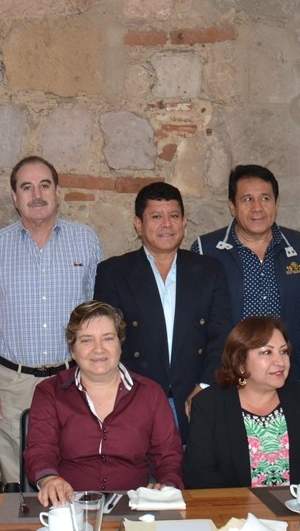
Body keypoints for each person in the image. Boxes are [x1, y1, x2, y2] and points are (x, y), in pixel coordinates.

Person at [0, 156, 102, 489]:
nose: (37, 195)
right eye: (27, 187)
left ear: (58, 191)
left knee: (74, 472)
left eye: (44, 185)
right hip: (12, 385)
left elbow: (95, 317)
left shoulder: (86, 241)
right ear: (14, 197)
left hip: (71, 380)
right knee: (20, 486)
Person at [94, 182, 232, 440]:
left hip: (196, 398)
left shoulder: (209, 271)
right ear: (138, 223)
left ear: (184, 221)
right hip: (134, 401)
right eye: (156, 216)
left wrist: (205, 385)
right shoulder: (114, 273)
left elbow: (222, 335)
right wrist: (129, 394)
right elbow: (106, 342)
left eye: (174, 215)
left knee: (195, 478)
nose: (166, 224)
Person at [24, 300, 184, 507]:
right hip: (67, 507)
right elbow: (41, 449)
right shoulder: (49, 392)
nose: (98, 349)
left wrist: (166, 486)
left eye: (107, 338)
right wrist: (49, 479)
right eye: (86, 341)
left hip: (134, 508)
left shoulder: (150, 393)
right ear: (72, 350)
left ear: (120, 344)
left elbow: (169, 455)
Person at [193, 164, 300, 388]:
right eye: (247, 200)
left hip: (287, 378)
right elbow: (197, 325)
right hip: (227, 380)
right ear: (232, 206)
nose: (257, 208)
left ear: (276, 203)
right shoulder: (206, 250)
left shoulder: (299, 246)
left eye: (265, 198)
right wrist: (205, 383)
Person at [184, 316, 300, 489]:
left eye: (284, 351)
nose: (280, 362)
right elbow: (199, 476)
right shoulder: (210, 404)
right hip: (235, 512)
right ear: (240, 362)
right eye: (267, 352)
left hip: (297, 510)